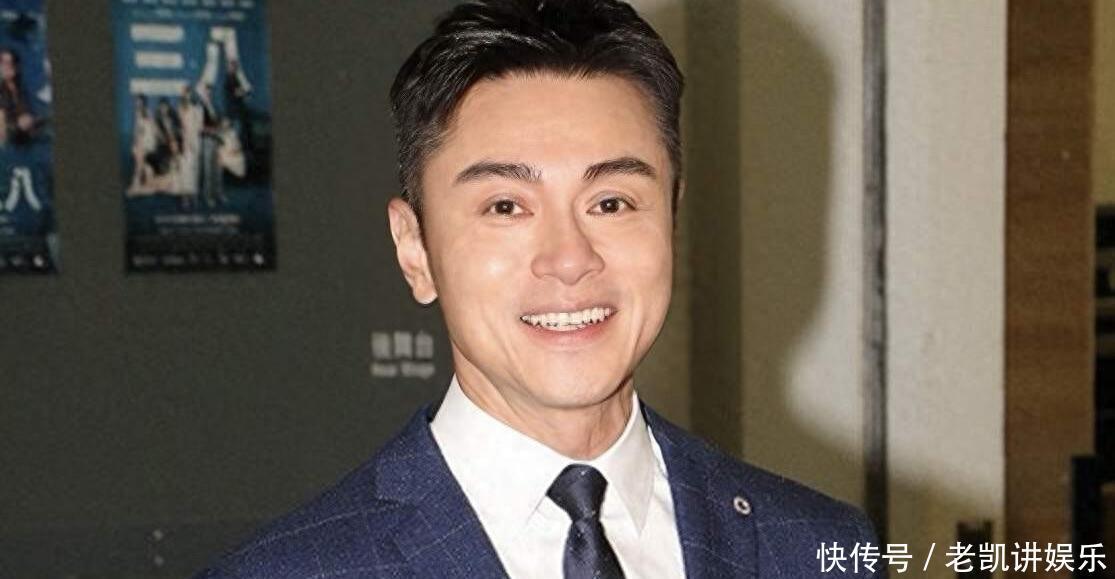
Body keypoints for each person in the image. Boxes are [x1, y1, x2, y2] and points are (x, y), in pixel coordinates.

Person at [194, 1, 880, 577]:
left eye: (611, 202)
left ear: (671, 218)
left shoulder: (820, 548)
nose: (569, 259)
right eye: (505, 207)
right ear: (415, 249)